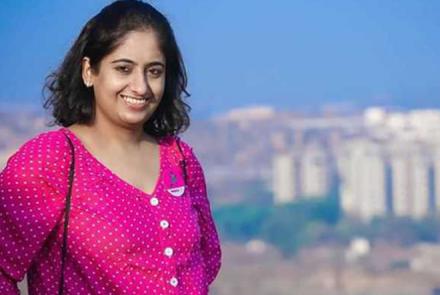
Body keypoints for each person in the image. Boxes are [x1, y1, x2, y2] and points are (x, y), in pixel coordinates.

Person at [0, 1, 222, 294]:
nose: (140, 87)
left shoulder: (179, 159)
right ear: (89, 71)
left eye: (154, 71)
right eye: (124, 68)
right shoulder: (52, 160)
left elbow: (207, 261)